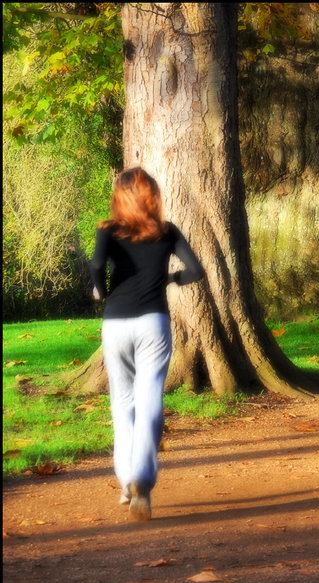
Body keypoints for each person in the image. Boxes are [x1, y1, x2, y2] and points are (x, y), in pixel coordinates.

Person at [88, 167, 205, 521]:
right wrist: (171, 277)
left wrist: (103, 292)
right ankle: (142, 478)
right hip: (153, 321)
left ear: (118, 197)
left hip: (116, 323)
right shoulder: (166, 232)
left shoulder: (107, 230)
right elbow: (197, 270)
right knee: (149, 397)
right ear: (152, 196)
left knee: (122, 403)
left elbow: (95, 266)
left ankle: (127, 481)